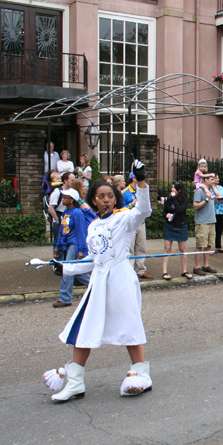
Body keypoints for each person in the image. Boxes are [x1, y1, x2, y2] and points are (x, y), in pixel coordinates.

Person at [44, 160, 153, 402]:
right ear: (93, 200)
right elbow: (94, 260)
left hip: (121, 281)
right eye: (101, 196)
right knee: (85, 328)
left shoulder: (124, 219)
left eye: (110, 196)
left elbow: (143, 210)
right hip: (99, 283)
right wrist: (64, 267)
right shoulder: (93, 225)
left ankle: (142, 376)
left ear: (115, 199)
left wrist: (141, 181)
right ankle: (75, 383)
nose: (106, 200)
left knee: (130, 328)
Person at [52, 189, 91, 308]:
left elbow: (81, 232)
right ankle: (98, 287)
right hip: (67, 244)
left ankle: (65, 298)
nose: (62, 199)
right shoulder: (65, 212)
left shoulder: (78, 213)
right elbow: (62, 230)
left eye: (65, 197)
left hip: (75, 244)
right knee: (77, 271)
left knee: (67, 269)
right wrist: (57, 246)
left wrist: (81, 250)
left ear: (72, 199)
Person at [122, 172, 153, 280]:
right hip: (131, 224)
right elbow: (120, 210)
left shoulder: (142, 190)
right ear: (134, 179)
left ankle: (140, 270)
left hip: (141, 223)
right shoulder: (125, 193)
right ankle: (130, 272)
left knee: (141, 247)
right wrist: (132, 204)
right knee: (130, 248)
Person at [161, 181, 192, 280]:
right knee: (167, 248)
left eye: (174, 188)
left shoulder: (185, 199)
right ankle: (164, 272)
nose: (172, 190)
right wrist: (166, 215)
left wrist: (174, 198)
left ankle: (184, 270)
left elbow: (179, 210)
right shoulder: (169, 199)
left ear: (179, 190)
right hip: (170, 226)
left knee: (182, 249)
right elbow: (164, 212)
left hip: (181, 226)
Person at [192, 173, 217, 276]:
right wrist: (206, 200)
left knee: (208, 245)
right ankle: (197, 267)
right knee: (200, 245)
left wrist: (216, 198)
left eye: (214, 179)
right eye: (212, 179)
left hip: (211, 221)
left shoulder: (211, 190)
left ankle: (206, 265)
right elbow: (195, 206)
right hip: (202, 223)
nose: (214, 181)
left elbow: (213, 203)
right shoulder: (199, 191)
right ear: (205, 180)